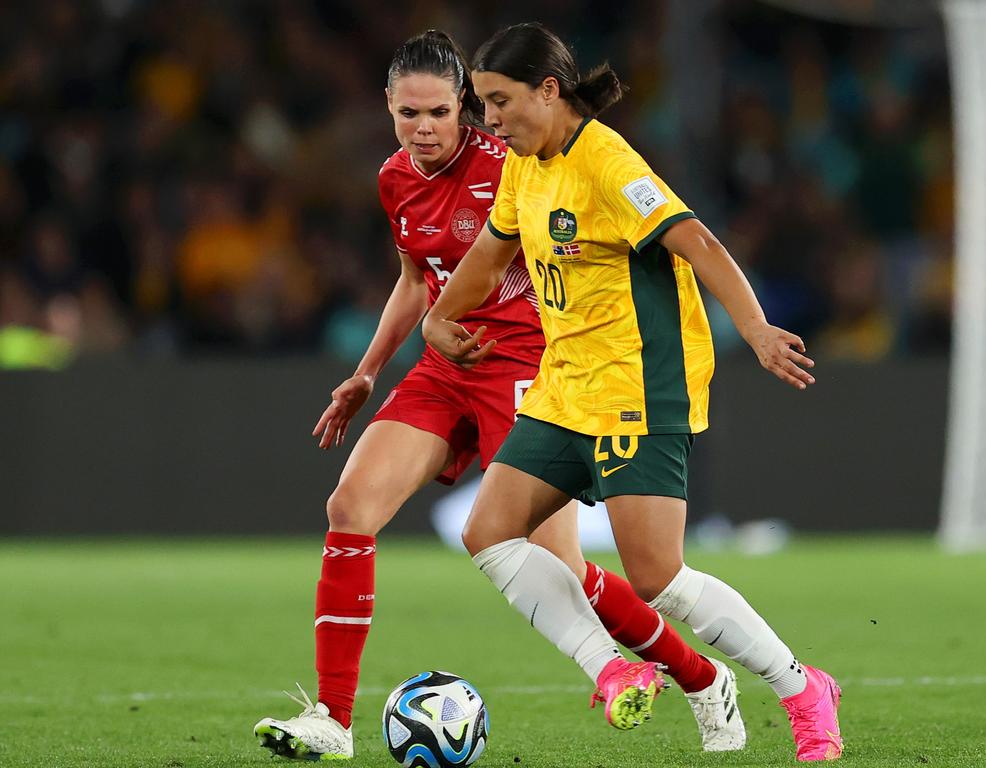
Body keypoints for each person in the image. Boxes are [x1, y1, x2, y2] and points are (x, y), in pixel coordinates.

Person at [253, 30, 745, 762]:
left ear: (466, 111)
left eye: (439, 113)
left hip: (525, 363)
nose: (422, 130)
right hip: (446, 364)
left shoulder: (512, 162)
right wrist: (368, 370)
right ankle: (330, 716)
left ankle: (701, 678)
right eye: (407, 114)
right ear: (388, 106)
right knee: (349, 508)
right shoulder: (394, 178)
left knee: (560, 569)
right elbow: (417, 280)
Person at [422, 23, 843, 763]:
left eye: (499, 102)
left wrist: (757, 328)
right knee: (488, 531)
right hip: (564, 387)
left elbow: (700, 243)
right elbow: (489, 255)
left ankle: (802, 686)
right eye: (482, 105)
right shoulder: (525, 164)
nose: (490, 121)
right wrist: (439, 318)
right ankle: (613, 668)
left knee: (656, 578)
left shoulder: (609, 164)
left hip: (638, 388)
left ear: (548, 91)